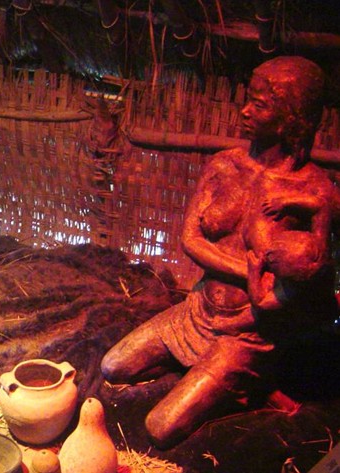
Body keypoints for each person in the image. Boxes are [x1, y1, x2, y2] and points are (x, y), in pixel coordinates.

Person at [100, 56, 337, 449]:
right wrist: (252, 269)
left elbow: (315, 275)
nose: (245, 111)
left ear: (291, 119)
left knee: (160, 427)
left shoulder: (314, 193)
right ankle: (209, 378)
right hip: (196, 311)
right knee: (113, 366)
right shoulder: (225, 165)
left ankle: (249, 383)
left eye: (259, 105)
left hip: (248, 333)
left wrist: (274, 290)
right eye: (248, 100)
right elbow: (190, 239)